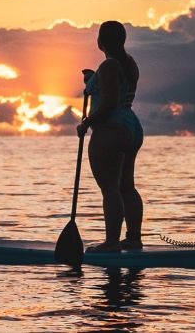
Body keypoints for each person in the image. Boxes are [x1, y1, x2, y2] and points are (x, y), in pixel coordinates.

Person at [76, 20, 144, 252]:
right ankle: (133, 239)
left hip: (111, 129)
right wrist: (94, 80)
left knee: (110, 189)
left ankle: (112, 243)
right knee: (126, 186)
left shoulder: (108, 67)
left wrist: (87, 123)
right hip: (131, 127)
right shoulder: (129, 64)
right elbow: (115, 87)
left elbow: (110, 102)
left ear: (100, 42)